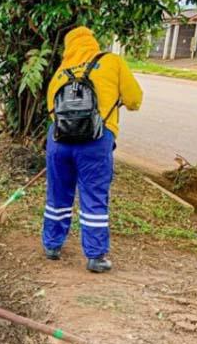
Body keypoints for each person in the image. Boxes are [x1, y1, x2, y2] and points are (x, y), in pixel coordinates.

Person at [42, 27, 143, 273]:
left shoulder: (60, 72)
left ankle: (52, 245)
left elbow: (51, 109)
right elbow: (134, 99)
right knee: (94, 196)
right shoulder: (111, 62)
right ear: (92, 41)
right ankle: (95, 256)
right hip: (95, 141)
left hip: (59, 141)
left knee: (57, 194)